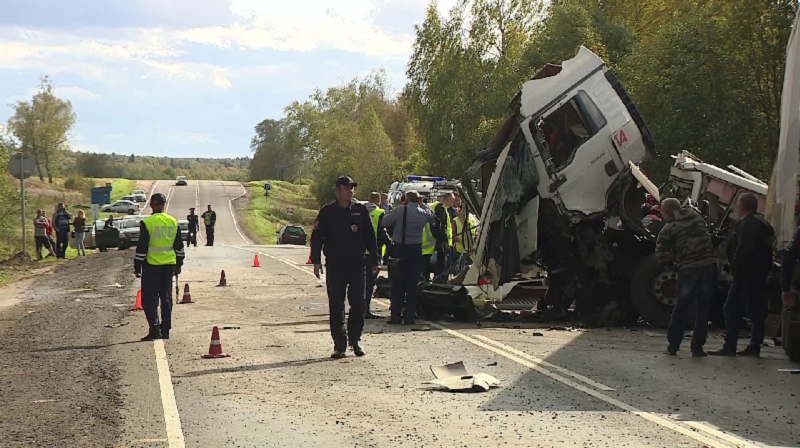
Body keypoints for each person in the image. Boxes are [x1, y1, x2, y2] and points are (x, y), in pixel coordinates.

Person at [310, 176, 379, 358]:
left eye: (352, 188)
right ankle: (339, 345)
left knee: (358, 303)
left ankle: (355, 340)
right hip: (335, 265)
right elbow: (317, 237)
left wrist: (375, 260)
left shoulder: (360, 210)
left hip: (357, 264)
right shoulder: (327, 212)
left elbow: (370, 237)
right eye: (347, 188)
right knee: (336, 305)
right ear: (338, 190)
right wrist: (316, 260)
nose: (350, 191)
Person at [710, 194, 774, 357]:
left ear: (741, 206)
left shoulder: (748, 224)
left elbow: (744, 248)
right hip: (757, 273)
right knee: (755, 309)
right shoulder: (761, 224)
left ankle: (730, 345)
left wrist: (735, 267)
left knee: (731, 307)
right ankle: (754, 345)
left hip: (746, 274)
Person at [655, 198, 718, 357]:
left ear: (666, 212)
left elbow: (661, 254)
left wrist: (674, 267)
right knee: (703, 308)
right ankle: (697, 347)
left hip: (688, 268)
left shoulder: (669, 228)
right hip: (708, 266)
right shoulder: (697, 218)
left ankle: (673, 345)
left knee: (681, 307)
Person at [383, 189, 439, 325]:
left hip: (399, 248)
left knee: (397, 283)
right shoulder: (422, 213)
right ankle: (409, 316)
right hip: (415, 250)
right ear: (418, 200)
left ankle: (395, 315)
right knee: (412, 284)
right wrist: (423, 205)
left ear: (406, 199)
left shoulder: (400, 210)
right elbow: (432, 216)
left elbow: (385, 222)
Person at [134, 193, 185, 341]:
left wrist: (137, 266)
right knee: (166, 298)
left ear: (151, 205)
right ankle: (166, 329)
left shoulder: (148, 223)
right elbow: (179, 247)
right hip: (168, 266)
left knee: (149, 299)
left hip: (151, 266)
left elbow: (142, 248)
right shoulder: (173, 222)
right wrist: (179, 264)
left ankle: (155, 329)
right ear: (164, 205)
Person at [364, 191, 391, 319]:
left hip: (358, 253)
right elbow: (382, 233)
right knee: (369, 283)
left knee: (358, 283)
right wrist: (391, 245)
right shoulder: (379, 213)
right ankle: (366, 309)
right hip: (373, 253)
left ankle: (358, 308)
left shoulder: (359, 211)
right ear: (379, 201)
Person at [421, 192, 453, 281]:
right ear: (447, 199)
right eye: (452, 200)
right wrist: (445, 241)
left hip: (426, 243)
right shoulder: (441, 208)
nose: (452, 203)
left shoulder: (431, 207)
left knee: (425, 271)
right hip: (435, 244)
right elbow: (442, 227)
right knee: (440, 269)